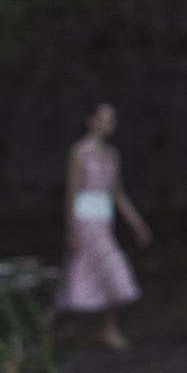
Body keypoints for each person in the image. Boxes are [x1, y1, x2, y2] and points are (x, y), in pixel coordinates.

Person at [55, 102, 151, 350]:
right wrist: (71, 229)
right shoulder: (80, 152)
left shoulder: (112, 155)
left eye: (112, 120)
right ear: (92, 121)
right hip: (85, 223)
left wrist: (137, 224)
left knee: (105, 273)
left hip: (103, 223)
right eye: (105, 119)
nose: (110, 125)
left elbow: (118, 194)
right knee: (84, 275)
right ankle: (48, 323)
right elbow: (72, 192)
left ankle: (107, 327)